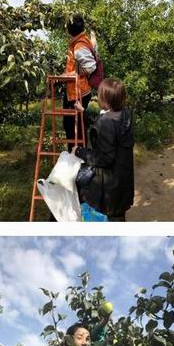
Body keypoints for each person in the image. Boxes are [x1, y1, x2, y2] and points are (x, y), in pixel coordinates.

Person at [74, 78, 134, 222]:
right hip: (122, 184)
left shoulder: (106, 121)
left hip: (108, 188)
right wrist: (84, 112)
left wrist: (80, 152)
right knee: (118, 216)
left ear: (105, 100)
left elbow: (104, 158)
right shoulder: (126, 115)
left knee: (108, 219)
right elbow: (104, 122)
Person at [63, 14, 97, 147]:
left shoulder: (79, 46)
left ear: (69, 29)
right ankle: (78, 157)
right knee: (73, 126)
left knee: (74, 129)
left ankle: (78, 159)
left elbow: (90, 67)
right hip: (76, 91)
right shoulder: (80, 41)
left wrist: (69, 75)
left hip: (78, 92)